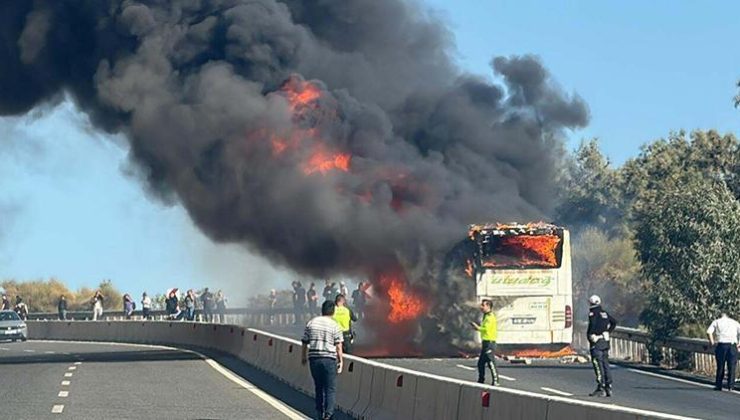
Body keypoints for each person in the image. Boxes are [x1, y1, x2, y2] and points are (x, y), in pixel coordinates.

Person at [302, 300, 344, 420]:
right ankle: (328, 415)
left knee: (318, 387)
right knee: (330, 388)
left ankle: (319, 413)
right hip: (329, 360)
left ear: (322, 310)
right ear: (333, 311)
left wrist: (303, 357)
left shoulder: (311, 323)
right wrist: (341, 361)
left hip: (314, 359)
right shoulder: (335, 325)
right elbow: (338, 346)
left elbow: (305, 341)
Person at [587, 294, 618, 397]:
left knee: (597, 364)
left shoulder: (593, 313)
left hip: (597, 342)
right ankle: (608, 386)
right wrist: (607, 331)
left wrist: (592, 335)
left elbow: (593, 325)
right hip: (605, 341)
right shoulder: (604, 313)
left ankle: (601, 387)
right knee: (605, 364)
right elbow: (614, 322)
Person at [706, 312, 740, 391]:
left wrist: (712, 342)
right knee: (732, 366)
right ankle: (730, 386)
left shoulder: (716, 321)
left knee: (720, 366)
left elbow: (709, 332)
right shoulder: (734, 322)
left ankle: (719, 385)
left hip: (721, 345)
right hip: (732, 345)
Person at [470, 299, 498, 386]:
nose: (481, 307)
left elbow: (486, 329)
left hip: (490, 343)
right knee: (481, 363)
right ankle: (481, 380)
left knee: (490, 362)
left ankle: (496, 380)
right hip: (485, 342)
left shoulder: (490, 317)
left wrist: (477, 328)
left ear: (488, 306)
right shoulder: (485, 316)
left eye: (483, 305)